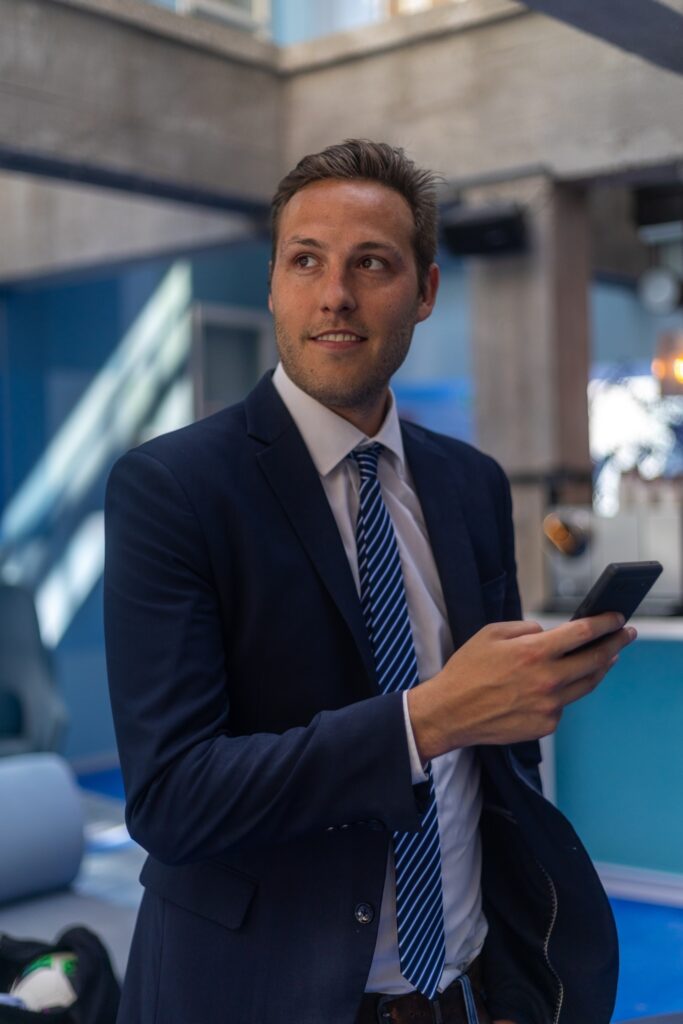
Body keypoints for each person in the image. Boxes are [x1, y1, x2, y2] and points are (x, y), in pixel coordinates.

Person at [104, 140, 634, 1024]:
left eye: (372, 264)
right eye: (305, 260)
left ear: (424, 292)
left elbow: (503, 766)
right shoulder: (174, 490)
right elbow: (172, 798)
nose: (335, 294)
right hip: (262, 995)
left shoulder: (470, 483)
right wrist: (428, 719)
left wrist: (508, 974)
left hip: (458, 990)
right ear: (272, 282)